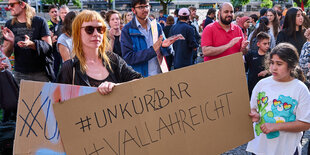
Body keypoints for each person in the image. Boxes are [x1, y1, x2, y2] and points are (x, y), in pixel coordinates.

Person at [57, 10, 142, 95]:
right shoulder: (70, 68)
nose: (96, 34)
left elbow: (140, 81)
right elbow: (58, 102)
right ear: (78, 33)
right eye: (89, 29)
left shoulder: (114, 60)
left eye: (100, 29)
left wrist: (116, 86)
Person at [247, 43, 310, 155]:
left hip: (286, 149)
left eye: (279, 64)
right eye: (271, 63)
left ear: (291, 66)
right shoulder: (262, 84)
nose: (273, 67)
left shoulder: (301, 89)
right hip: (260, 148)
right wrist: (255, 114)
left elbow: (305, 123)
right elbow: (253, 109)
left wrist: (276, 126)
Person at [2, 0, 53, 84]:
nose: (9, 7)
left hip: (40, 74)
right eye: (8, 5)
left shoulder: (40, 22)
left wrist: (32, 44)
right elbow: (6, 54)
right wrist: (11, 42)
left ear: (22, 4)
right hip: (19, 74)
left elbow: (48, 47)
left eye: (12, 5)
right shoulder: (9, 24)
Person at [120, 0, 176, 77]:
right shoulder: (127, 30)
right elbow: (128, 58)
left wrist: (166, 47)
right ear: (133, 10)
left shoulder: (156, 26)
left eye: (146, 6)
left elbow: (166, 53)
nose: (145, 9)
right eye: (140, 7)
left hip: (159, 74)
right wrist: (152, 50)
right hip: (139, 77)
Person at [245, 32, 270, 97]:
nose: (267, 46)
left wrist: (267, 71)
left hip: (266, 89)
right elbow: (244, 69)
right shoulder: (251, 54)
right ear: (258, 44)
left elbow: (275, 69)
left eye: (268, 43)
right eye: (264, 44)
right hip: (252, 87)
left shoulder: (271, 56)